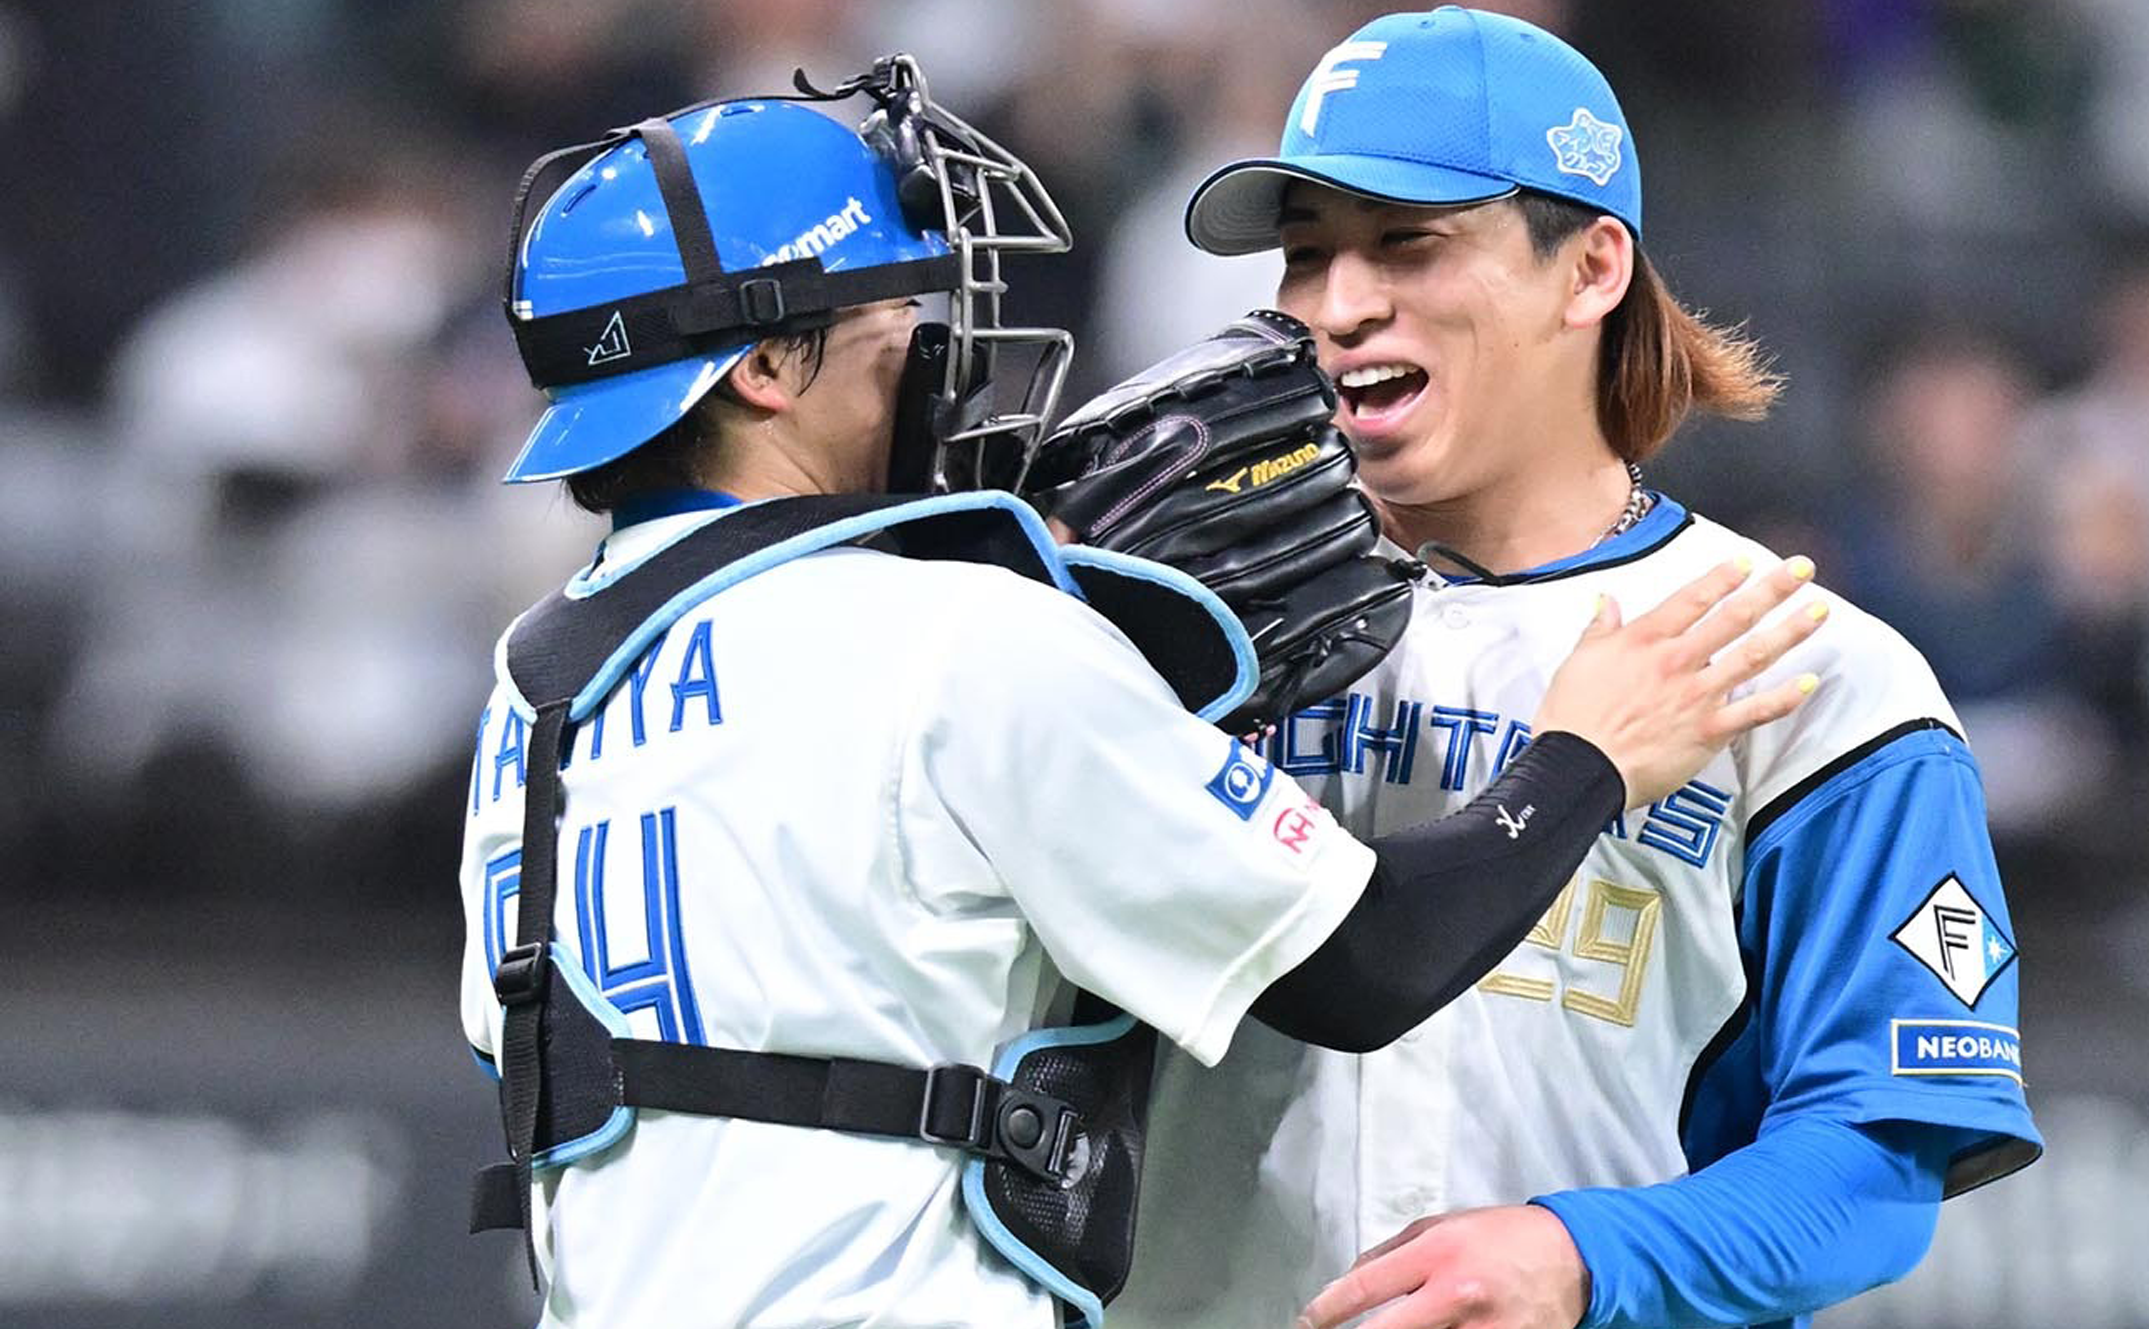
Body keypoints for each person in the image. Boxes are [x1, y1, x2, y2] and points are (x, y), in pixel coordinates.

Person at [454, 61, 1824, 1329]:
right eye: (894, 318)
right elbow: (1363, 965)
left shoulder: (535, 693)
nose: (934, 355)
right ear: (761, 368)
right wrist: (1582, 758)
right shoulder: (963, 636)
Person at [1113, 9, 2045, 1329]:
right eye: (1307, 255)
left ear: (1591, 268)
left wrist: (1588, 1255)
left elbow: (1880, 1162)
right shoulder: (1169, 636)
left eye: (1408, 244)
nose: (1337, 306)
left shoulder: (1807, 672)